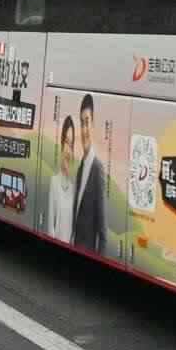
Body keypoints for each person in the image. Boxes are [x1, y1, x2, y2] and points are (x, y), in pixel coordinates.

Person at [71, 94, 106, 253]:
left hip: (87, 252)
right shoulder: (81, 167)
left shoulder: (97, 169)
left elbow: (102, 232)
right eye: (81, 123)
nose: (84, 130)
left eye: (87, 122)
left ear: (93, 126)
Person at [47, 115, 79, 243]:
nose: (68, 150)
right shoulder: (54, 181)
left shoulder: (74, 187)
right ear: (61, 144)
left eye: (71, 145)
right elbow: (50, 228)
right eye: (66, 142)